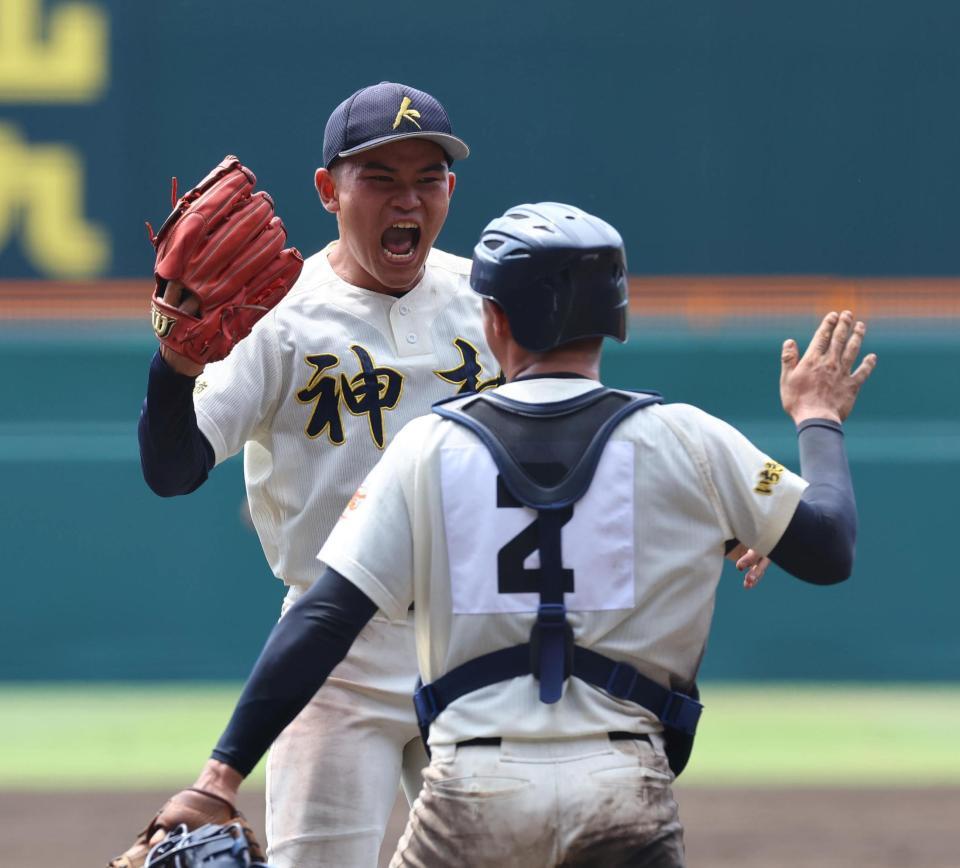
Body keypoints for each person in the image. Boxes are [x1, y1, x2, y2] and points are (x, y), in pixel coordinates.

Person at [132, 201, 875, 868]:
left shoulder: (432, 446)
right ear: (615, 317)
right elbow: (828, 543)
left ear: (492, 322)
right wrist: (816, 419)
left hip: (475, 781)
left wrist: (219, 775)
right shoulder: (683, 439)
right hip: (627, 786)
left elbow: (326, 615)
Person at [133, 82, 506, 868]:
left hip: (477, 636)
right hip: (331, 654)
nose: (407, 198)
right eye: (379, 178)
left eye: (426, 178)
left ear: (451, 189)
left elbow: (572, 448)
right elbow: (172, 471)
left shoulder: (488, 302)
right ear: (328, 190)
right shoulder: (279, 318)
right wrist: (172, 369)